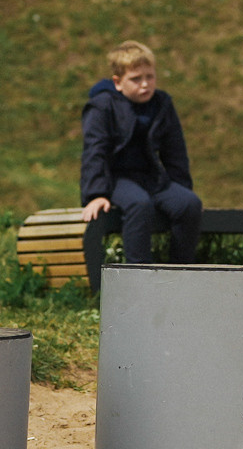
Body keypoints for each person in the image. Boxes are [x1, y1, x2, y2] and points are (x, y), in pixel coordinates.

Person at [80, 41, 202, 293]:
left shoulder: (162, 103)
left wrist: (180, 187)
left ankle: (181, 277)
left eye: (150, 77)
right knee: (139, 204)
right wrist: (96, 194)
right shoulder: (102, 106)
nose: (145, 84)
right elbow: (95, 151)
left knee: (189, 204)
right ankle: (139, 280)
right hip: (116, 178)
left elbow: (175, 150)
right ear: (118, 82)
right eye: (136, 79)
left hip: (151, 177)